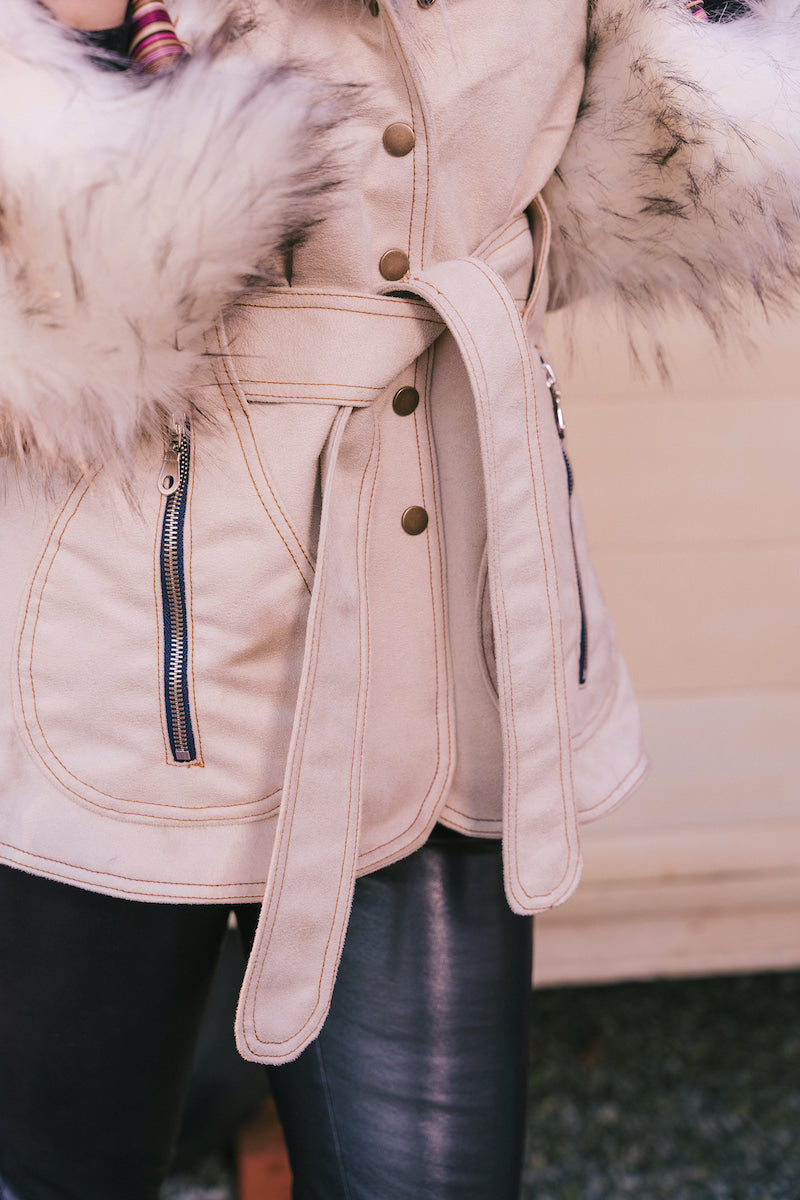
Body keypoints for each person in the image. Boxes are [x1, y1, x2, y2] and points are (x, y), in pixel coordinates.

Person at [0, 0, 797, 1197]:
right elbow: (48, 322)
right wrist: (83, 50)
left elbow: (642, 172)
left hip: (436, 616)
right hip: (120, 630)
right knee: (53, 1168)